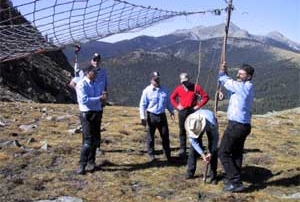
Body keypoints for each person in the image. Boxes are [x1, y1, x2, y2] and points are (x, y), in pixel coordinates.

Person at [218, 63, 255, 192]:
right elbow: (234, 90)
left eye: (241, 74)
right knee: (236, 153)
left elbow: (227, 81)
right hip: (242, 125)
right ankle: (233, 177)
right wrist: (223, 95)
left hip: (236, 125)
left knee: (223, 152)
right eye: (238, 73)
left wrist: (222, 73)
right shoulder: (244, 87)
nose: (238, 75)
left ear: (249, 76)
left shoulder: (245, 87)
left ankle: (235, 181)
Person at [70, 53, 108, 153]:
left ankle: (97, 148)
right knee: (87, 129)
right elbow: (73, 83)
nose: (96, 61)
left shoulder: (103, 72)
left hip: (99, 104)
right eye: (94, 60)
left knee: (97, 127)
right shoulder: (85, 71)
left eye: (98, 60)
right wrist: (80, 95)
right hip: (87, 106)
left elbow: (105, 87)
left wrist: (104, 99)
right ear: (91, 60)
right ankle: (85, 147)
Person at [75, 65, 107, 175]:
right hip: (87, 114)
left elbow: (99, 97)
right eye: (94, 72)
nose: (96, 74)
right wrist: (99, 98)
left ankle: (91, 162)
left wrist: (103, 100)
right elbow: (84, 100)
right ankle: (82, 165)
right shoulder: (81, 84)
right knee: (88, 140)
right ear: (88, 72)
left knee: (95, 139)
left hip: (97, 112)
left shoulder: (96, 83)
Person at [170, 72, 209, 158]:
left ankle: (197, 148)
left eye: (186, 81)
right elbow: (172, 97)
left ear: (189, 79)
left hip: (192, 111)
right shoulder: (179, 89)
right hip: (182, 111)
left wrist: (198, 106)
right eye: (183, 82)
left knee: (195, 129)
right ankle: (182, 149)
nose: (185, 83)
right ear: (181, 81)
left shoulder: (195, 87)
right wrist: (177, 106)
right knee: (182, 130)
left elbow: (206, 97)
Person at [139, 71, 175, 162]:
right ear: (151, 80)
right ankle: (151, 155)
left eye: (158, 78)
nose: (157, 80)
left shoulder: (165, 90)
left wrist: (171, 112)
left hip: (162, 116)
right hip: (151, 116)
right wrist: (142, 117)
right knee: (150, 137)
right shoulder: (147, 91)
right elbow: (142, 105)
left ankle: (167, 155)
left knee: (165, 136)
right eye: (155, 79)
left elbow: (168, 103)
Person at [184, 109, 219, 185]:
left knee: (213, 151)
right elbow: (193, 141)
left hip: (209, 123)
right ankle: (190, 172)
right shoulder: (191, 124)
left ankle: (213, 176)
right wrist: (202, 154)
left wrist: (211, 152)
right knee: (193, 150)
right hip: (199, 122)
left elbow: (215, 139)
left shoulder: (212, 123)